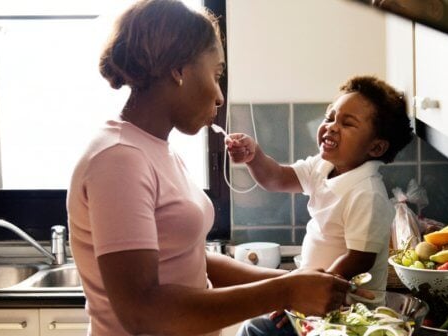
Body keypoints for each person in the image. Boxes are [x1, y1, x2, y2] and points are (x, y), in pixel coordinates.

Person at [67, 1, 367, 335]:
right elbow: (143, 311)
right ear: (178, 69)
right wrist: (284, 291)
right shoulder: (118, 159)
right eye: (217, 74)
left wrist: (296, 282)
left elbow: (192, 259)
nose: (220, 96)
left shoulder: (155, 149)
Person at [227, 76, 414, 336]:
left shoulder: (366, 193)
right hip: (314, 303)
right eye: (330, 118)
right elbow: (277, 178)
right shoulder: (322, 166)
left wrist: (305, 290)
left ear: (376, 147)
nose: (332, 127)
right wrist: (254, 156)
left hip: (346, 316)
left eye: (347, 123)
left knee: (255, 330)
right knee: (255, 328)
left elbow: (358, 258)